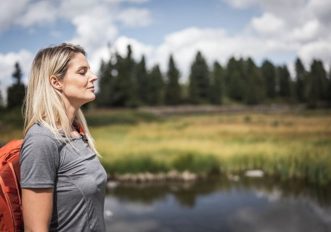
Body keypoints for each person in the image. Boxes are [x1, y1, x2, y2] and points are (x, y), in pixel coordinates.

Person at [20, 43, 107, 232]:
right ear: (56, 82)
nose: (94, 77)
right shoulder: (41, 140)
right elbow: (35, 229)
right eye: (82, 72)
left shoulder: (78, 132)